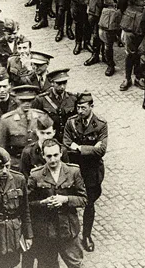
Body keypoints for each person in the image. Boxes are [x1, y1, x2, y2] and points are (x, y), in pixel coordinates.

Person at [26, 139, 86, 268]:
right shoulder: (36, 175)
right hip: (46, 233)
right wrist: (43, 203)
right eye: (48, 156)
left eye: (55, 155)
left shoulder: (73, 171)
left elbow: (83, 199)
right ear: (43, 156)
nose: (53, 160)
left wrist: (66, 199)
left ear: (61, 153)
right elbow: (27, 203)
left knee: (76, 264)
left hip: (69, 231)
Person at [61, 92, 107, 252]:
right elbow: (66, 142)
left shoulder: (101, 125)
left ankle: (86, 235)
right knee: (69, 199)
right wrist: (89, 149)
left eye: (83, 108)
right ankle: (68, 233)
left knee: (89, 203)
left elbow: (101, 150)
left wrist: (78, 147)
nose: (79, 111)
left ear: (91, 107)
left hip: (92, 171)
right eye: (78, 107)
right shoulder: (71, 122)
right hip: (73, 169)